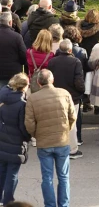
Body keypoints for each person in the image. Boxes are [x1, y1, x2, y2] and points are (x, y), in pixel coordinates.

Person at [25, 69, 75, 207]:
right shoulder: (64, 94)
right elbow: (72, 116)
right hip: (62, 140)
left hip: (44, 143)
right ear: (52, 80)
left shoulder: (33, 98)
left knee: (47, 178)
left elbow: (29, 123)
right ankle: (64, 204)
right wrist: (65, 131)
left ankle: (50, 205)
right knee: (64, 177)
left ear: (38, 82)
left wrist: (37, 134)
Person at [47, 39, 85, 160]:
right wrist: (82, 91)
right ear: (70, 50)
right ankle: (72, 149)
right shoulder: (75, 62)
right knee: (71, 123)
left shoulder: (52, 62)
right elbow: (79, 81)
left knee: (57, 122)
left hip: (56, 96)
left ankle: (57, 147)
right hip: (72, 97)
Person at [0, 74, 30, 205]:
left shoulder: (3, 97)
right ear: (23, 87)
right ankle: (8, 201)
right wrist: (27, 137)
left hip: (2, 140)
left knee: (2, 171)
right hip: (15, 142)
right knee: (12, 174)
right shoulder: (21, 104)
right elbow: (22, 127)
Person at [0, 12, 26, 88]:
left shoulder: (17, 37)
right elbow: (23, 55)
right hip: (12, 72)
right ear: (10, 22)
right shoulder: (17, 37)